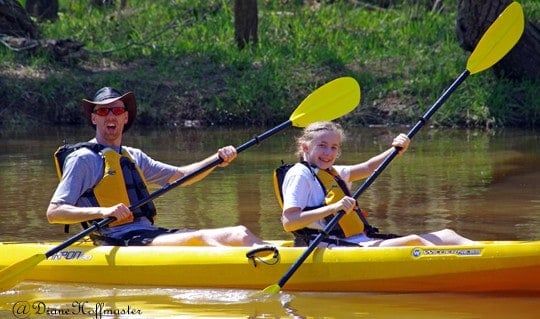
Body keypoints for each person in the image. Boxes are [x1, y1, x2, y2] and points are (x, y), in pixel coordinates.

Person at [47, 87, 267, 247]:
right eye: (103, 112)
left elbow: (181, 176)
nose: (110, 116)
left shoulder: (134, 156)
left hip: (146, 233)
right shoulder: (83, 159)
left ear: (125, 117)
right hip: (116, 240)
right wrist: (104, 211)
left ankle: (277, 260)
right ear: (94, 119)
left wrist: (217, 159)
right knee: (200, 239)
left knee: (240, 232)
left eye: (116, 110)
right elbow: (55, 212)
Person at [279, 121, 477, 247]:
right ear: (305, 147)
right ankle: (471, 265)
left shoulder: (330, 173)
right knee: (414, 242)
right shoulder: (300, 174)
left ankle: (490, 254)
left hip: (354, 240)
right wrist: (335, 207)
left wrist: (396, 150)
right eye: (322, 146)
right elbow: (289, 222)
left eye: (334, 147)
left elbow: (368, 167)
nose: (328, 153)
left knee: (447, 234)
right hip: (328, 246)